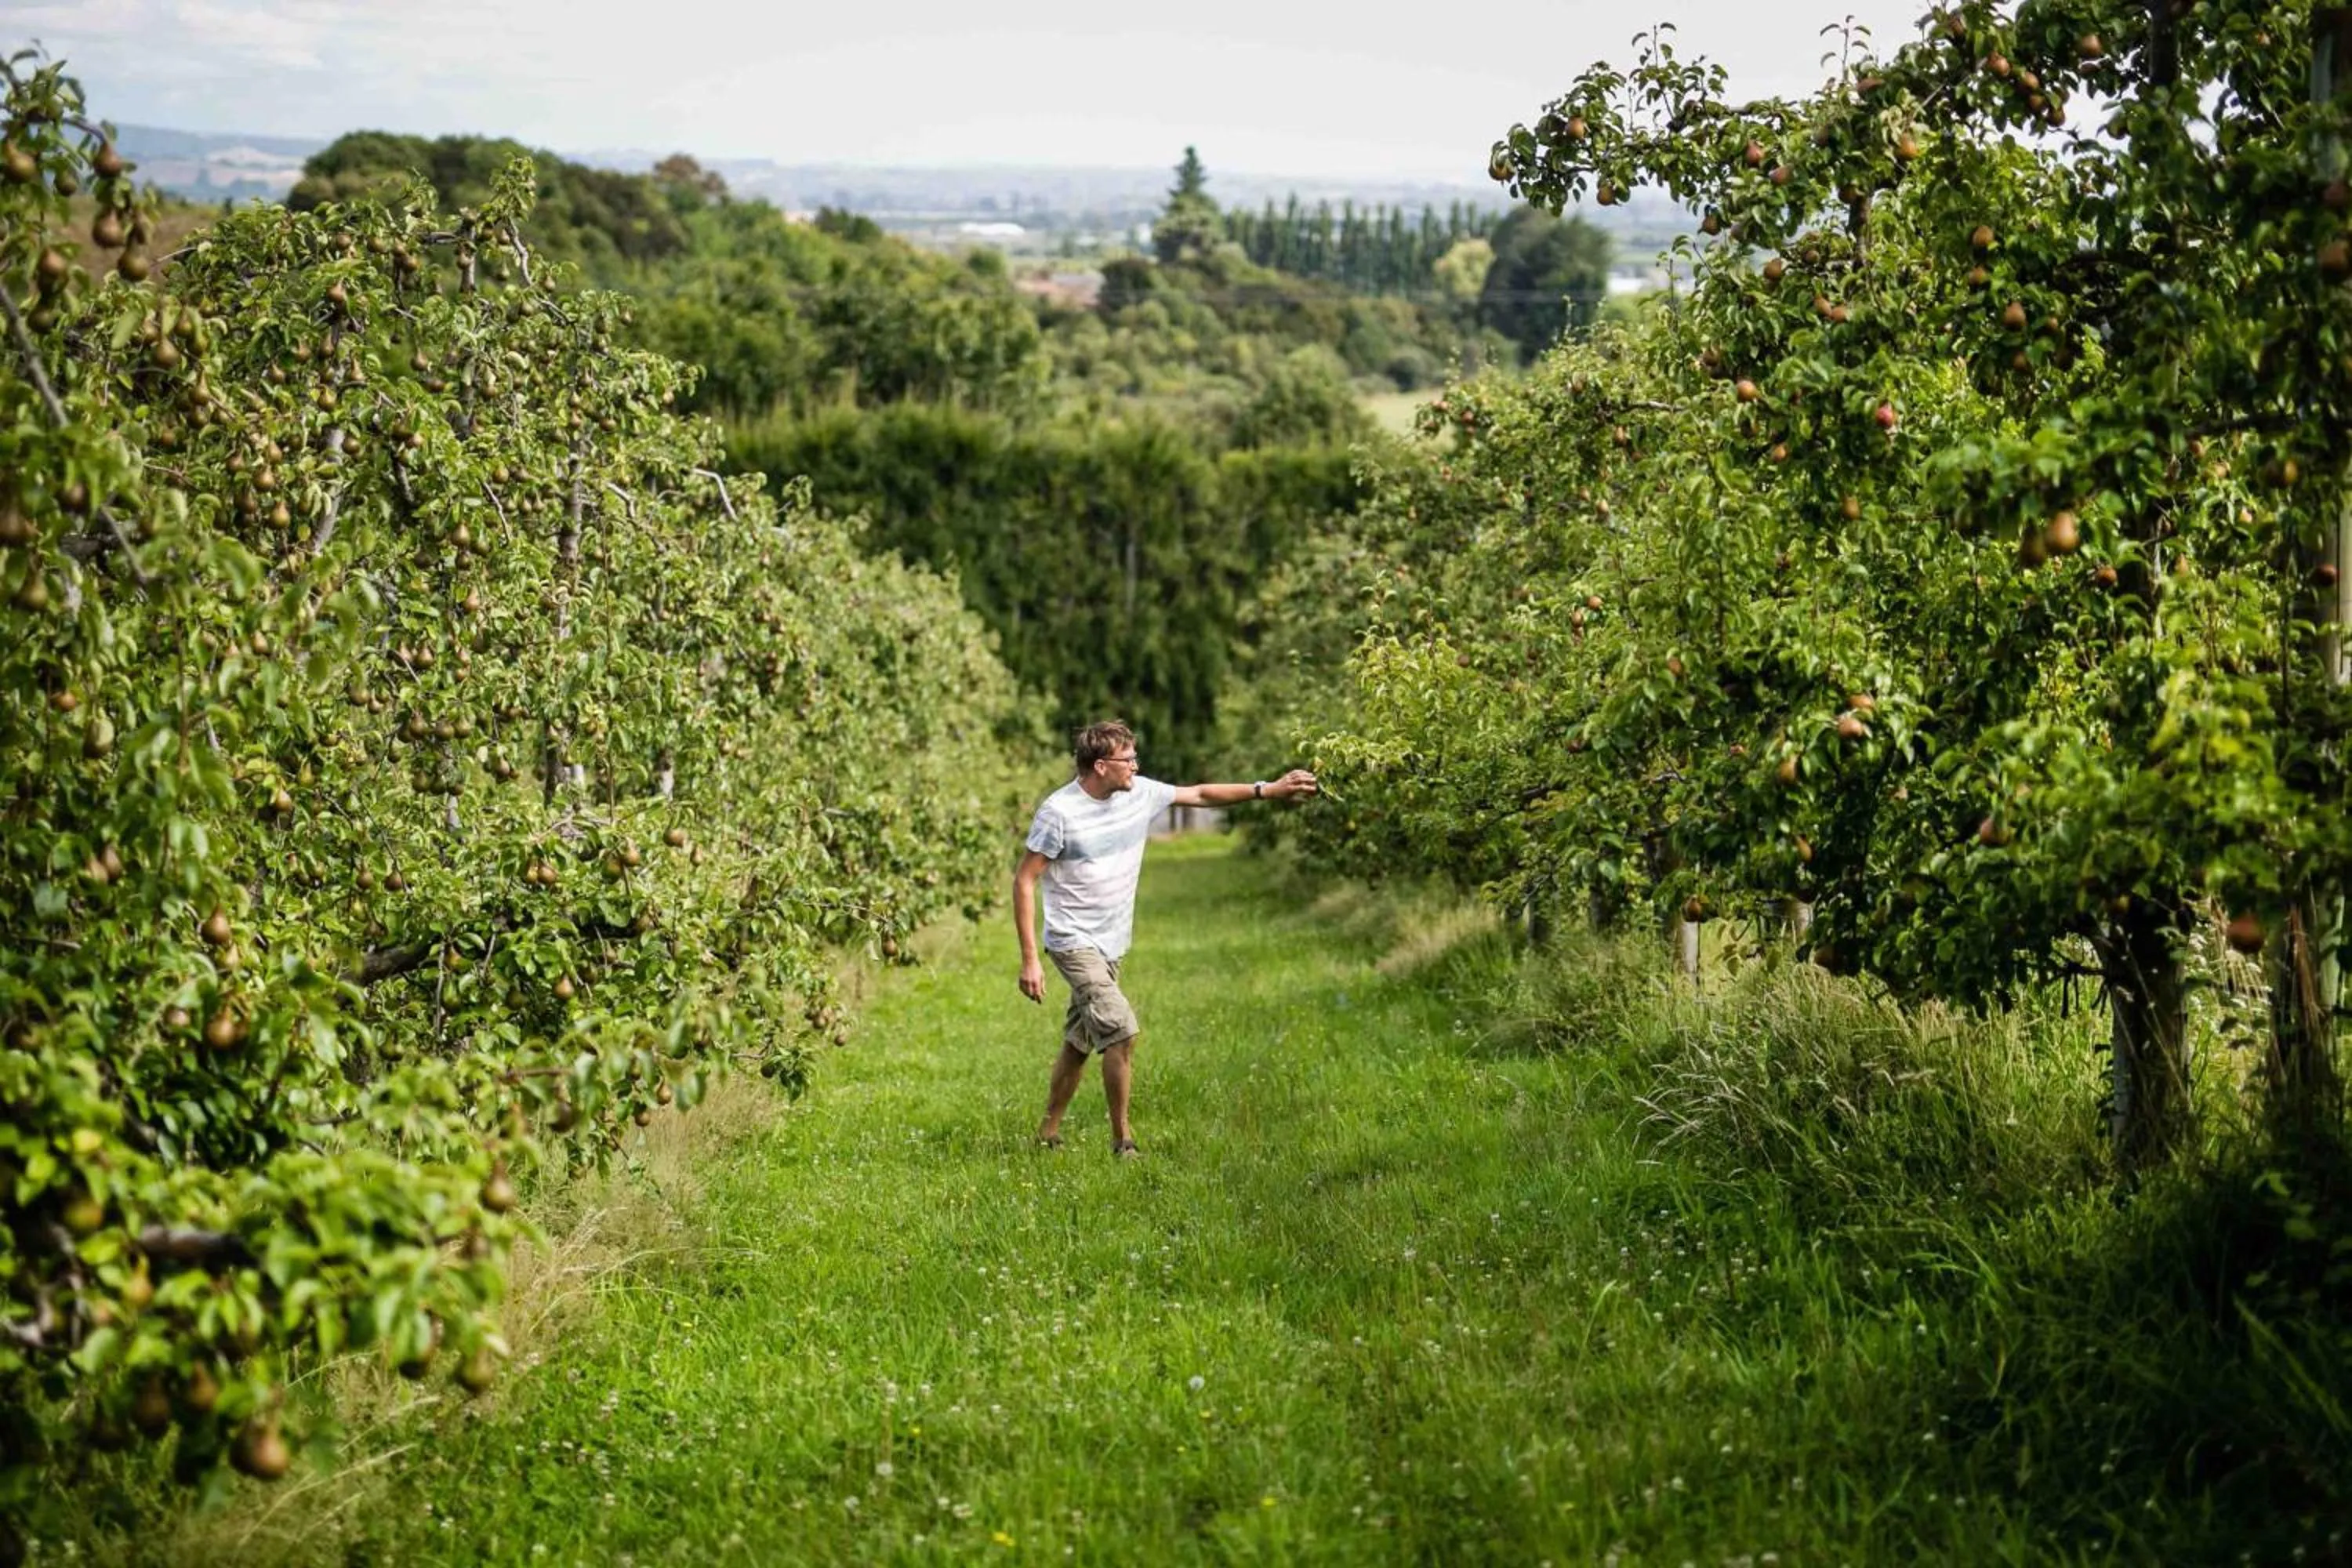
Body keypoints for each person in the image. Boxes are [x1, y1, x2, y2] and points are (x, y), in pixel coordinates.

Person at [1014, 720, 1317, 1157]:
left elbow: (1199, 794)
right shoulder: (1059, 813)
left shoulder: (1138, 792)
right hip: (1072, 940)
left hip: (1112, 942)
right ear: (1101, 766)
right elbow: (1025, 880)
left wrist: (1267, 789)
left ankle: (1047, 1133)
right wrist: (1030, 960)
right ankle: (1123, 1141)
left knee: (1080, 1042)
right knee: (1120, 1031)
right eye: (1128, 760)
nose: (1136, 766)